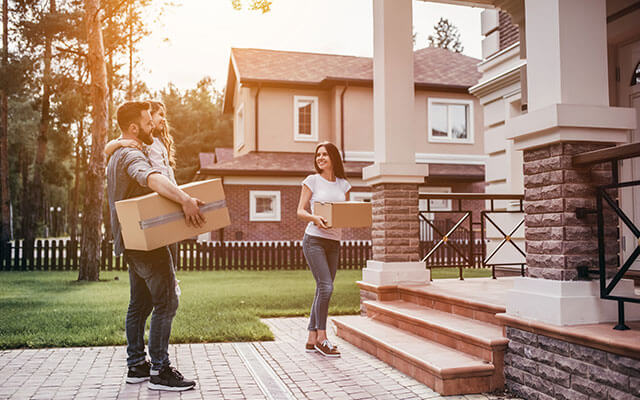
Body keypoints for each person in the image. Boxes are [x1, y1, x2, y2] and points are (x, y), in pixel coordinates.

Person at [107, 101, 203, 391]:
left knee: (140, 303)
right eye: (148, 122)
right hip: (146, 243)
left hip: (130, 241)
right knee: (166, 301)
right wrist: (185, 199)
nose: (153, 126)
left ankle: (137, 365)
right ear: (134, 127)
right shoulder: (131, 155)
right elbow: (151, 177)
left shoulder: (116, 154)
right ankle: (160, 370)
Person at [296, 141, 351, 358]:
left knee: (322, 289)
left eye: (325, 155)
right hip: (314, 240)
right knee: (326, 288)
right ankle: (322, 337)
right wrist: (314, 218)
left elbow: (344, 213)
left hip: (334, 242)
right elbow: (300, 211)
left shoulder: (343, 185)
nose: (320, 158)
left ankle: (311, 339)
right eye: (318, 155)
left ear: (333, 158)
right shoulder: (312, 181)